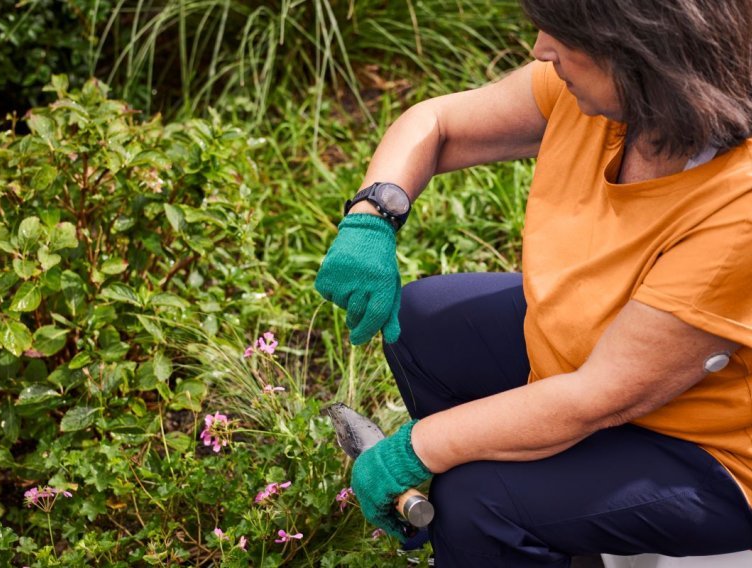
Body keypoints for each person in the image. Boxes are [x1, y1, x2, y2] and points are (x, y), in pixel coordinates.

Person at [314, 0, 752, 566]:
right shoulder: (600, 98)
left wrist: (415, 450)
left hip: (710, 452)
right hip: (595, 359)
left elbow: (600, 397)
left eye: (567, 36)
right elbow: (439, 124)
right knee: (426, 323)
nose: (541, 48)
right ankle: (522, 539)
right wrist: (372, 216)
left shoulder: (737, 206)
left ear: (643, 53)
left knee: (476, 502)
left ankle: (487, 524)